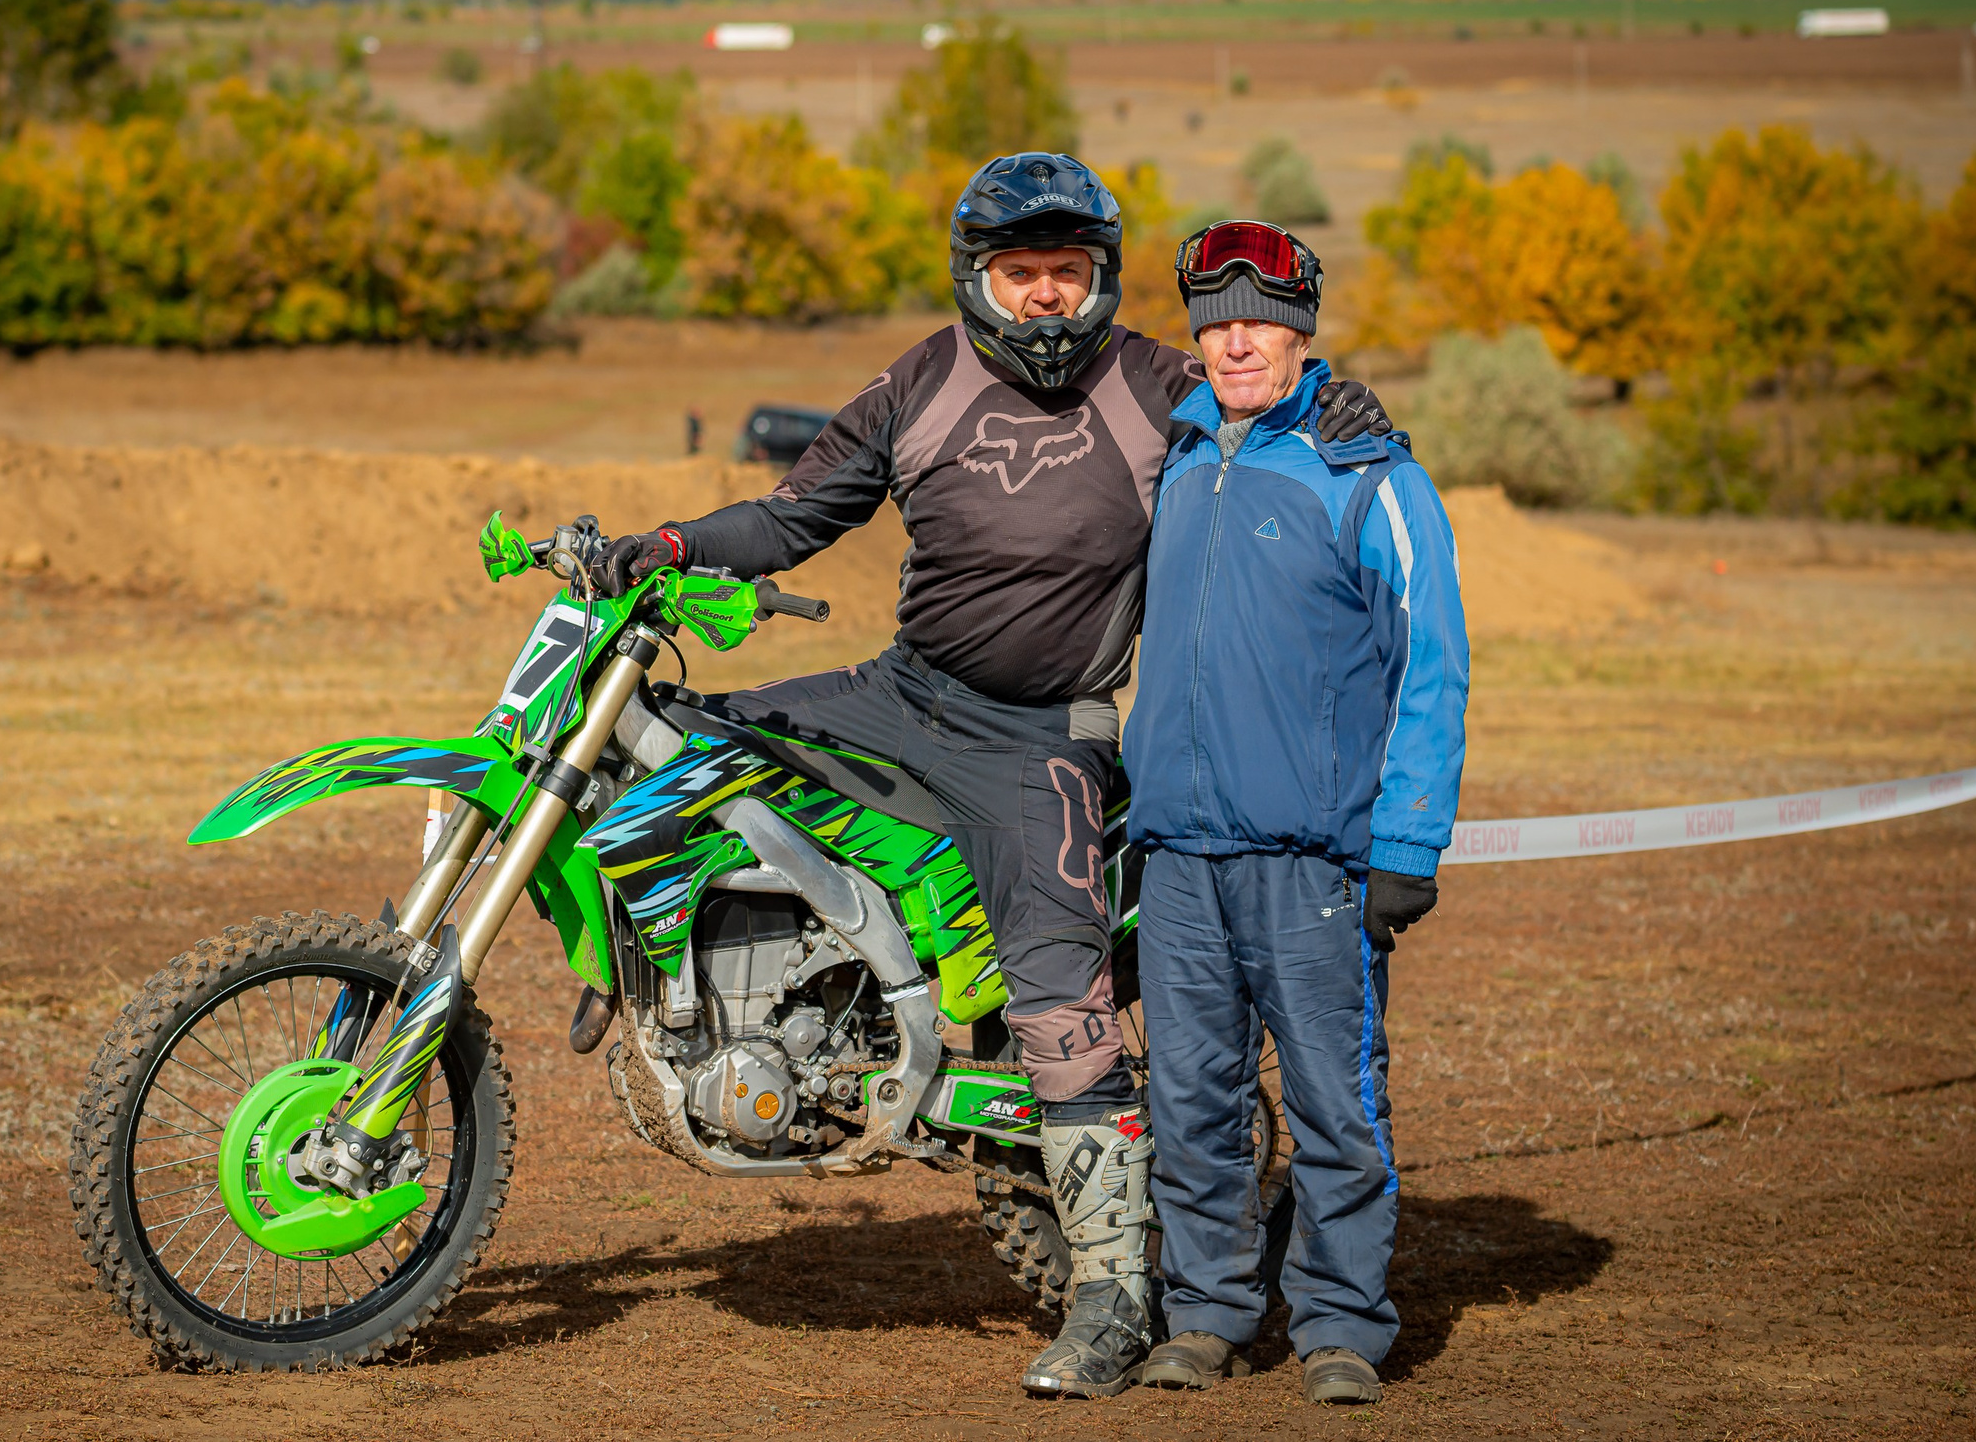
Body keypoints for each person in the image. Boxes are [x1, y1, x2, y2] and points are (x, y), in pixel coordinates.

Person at [587, 156, 1398, 1399]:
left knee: (1062, 1009)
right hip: (901, 693)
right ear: (978, 277)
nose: (1043, 298)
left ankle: (1115, 1299)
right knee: (672, 742)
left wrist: (1350, 403)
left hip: (1045, 739)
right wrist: (670, 545)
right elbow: (796, 515)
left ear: (1102, 279)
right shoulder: (919, 382)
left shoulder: (1154, 386)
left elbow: (1268, 400)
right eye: (1019, 273)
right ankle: (701, 998)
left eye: (1066, 274)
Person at [1119, 220, 1470, 1406]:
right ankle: (1206, 1312)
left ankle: (1340, 1324)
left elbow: (1431, 663)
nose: (1233, 340)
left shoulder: (1370, 473)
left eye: (1256, 318)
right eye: (1212, 320)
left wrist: (1407, 842)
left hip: (1315, 857)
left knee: (1333, 1096)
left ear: (1302, 328)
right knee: (1191, 1098)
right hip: (1176, 854)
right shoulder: (1168, 457)